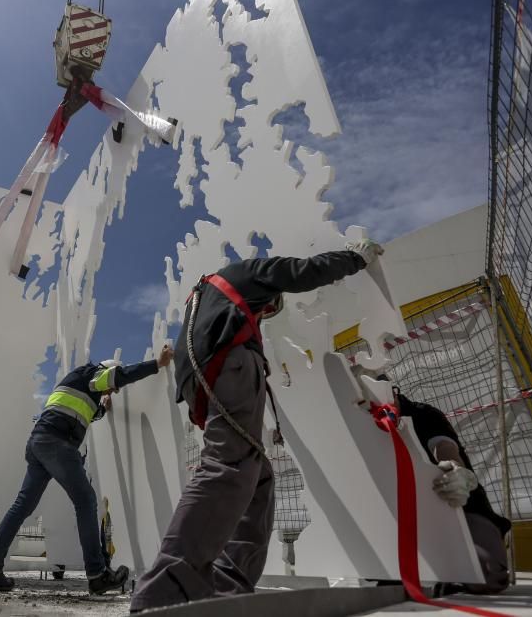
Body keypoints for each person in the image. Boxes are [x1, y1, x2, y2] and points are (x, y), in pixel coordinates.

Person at [130, 240, 383, 613]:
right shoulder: (249, 274)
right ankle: (166, 590)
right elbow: (304, 272)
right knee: (227, 466)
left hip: (201, 376)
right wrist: (355, 257)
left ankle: (228, 584)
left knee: (258, 476)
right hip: (227, 365)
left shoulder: (204, 300)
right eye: (268, 306)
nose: (265, 312)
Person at [0, 346, 175, 596]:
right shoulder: (94, 372)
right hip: (58, 444)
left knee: (22, 506)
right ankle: (98, 575)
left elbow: (85, 411)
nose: (110, 390)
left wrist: (103, 406)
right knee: (86, 501)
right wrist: (156, 364)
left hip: (39, 442)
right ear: (106, 371)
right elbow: (119, 376)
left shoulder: (78, 381)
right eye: (109, 387)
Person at [377, 374, 511, 594]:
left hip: (459, 508)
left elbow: (444, 447)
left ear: (393, 391)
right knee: (391, 582)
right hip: (406, 519)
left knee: (486, 575)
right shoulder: (364, 424)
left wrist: (456, 470)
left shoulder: (424, 414)